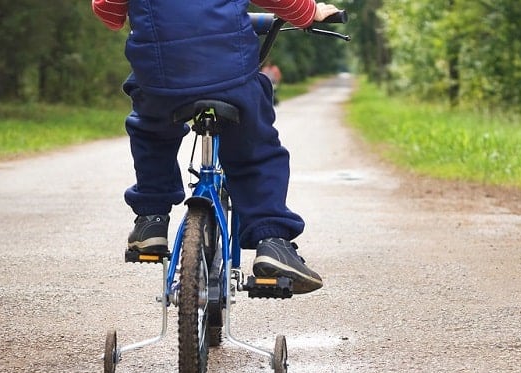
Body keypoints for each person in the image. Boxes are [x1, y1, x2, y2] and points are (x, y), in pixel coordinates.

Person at [92, 0, 340, 294]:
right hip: (230, 79)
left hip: (160, 83)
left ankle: (151, 219)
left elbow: (108, 13)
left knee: (151, 133)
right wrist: (310, 13)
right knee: (256, 153)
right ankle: (272, 241)